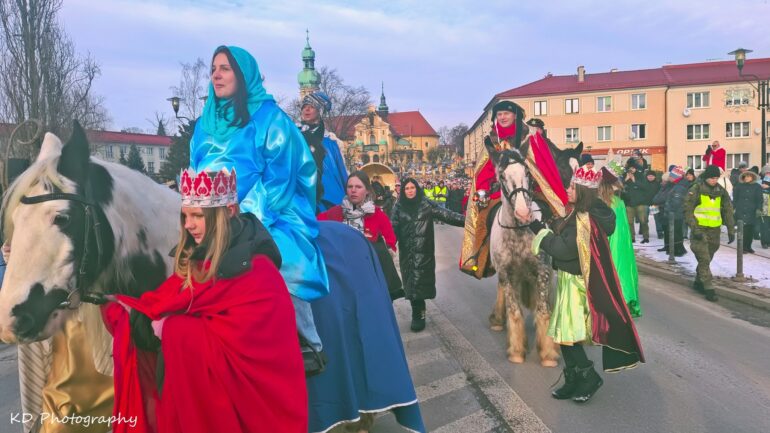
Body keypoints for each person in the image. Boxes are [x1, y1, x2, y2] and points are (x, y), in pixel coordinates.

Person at [105, 168, 307, 433]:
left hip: (257, 414)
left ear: (229, 212)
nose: (188, 225)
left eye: (198, 216)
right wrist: (126, 311)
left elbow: (253, 353)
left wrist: (173, 330)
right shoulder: (198, 262)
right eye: (185, 216)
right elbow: (163, 300)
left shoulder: (260, 274)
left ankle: (313, 342)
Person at [188, 45, 328, 370]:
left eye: (225, 68)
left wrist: (246, 218)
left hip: (270, 209)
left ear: (243, 75)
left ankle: (308, 341)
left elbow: (282, 175)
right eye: (213, 69)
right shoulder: (203, 124)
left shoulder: (270, 117)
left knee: (283, 257)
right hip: (210, 211)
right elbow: (195, 169)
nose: (217, 75)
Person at [529, 167, 644, 403]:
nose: (567, 190)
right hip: (572, 280)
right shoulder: (584, 212)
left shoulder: (584, 219)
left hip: (575, 285)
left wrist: (539, 231)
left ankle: (588, 377)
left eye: (572, 187)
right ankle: (573, 379)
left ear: (581, 191)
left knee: (566, 335)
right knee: (564, 336)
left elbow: (562, 248)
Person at [460, 100, 526, 278]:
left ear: (515, 116)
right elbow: (484, 171)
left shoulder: (527, 137)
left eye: (506, 113)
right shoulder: (492, 141)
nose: (503, 117)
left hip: (526, 189)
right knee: (483, 219)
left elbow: (539, 166)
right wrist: (482, 191)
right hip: (499, 192)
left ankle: (555, 252)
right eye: (499, 114)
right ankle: (480, 260)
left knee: (545, 211)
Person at [392, 177, 465, 331]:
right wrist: (386, 242)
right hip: (407, 252)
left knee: (419, 284)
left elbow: (447, 215)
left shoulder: (425, 204)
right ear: (403, 191)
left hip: (423, 252)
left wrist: (468, 221)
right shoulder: (398, 207)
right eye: (407, 188)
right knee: (411, 282)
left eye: (412, 188)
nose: (410, 191)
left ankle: (419, 314)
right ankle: (417, 313)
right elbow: (393, 229)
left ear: (417, 189)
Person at [318, 171, 403, 300]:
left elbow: (391, 242)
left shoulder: (378, 215)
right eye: (350, 187)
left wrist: (380, 251)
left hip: (371, 281)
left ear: (367, 190)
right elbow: (313, 226)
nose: (353, 190)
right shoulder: (334, 213)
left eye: (358, 187)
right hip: (343, 281)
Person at [684, 164, 736, 301]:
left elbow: (727, 210)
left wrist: (731, 229)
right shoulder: (696, 189)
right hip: (699, 229)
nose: (714, 180)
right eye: (712, 178)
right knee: (704, 258)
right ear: (706, 177)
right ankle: (708, 287)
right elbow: (687, 210)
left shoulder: (721, 190)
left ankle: (698, 281)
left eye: (716, 178)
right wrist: (695, 229)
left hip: (714, 230)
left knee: (707, 257)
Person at [598, 166, 641, 317]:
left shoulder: (602, 204)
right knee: (622, 271)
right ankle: (624, 301)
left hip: (609, 244)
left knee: (610, 271)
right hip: (622, 247)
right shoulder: (618, 202)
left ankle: (612, 304)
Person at [299, 91, 349, 212]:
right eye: (304, 107)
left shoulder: (331, 142)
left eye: (311, 107)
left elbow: (340, 173)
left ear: (320, 111)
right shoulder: (294, 136)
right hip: (300, 195)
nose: (306, 110)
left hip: (327, 200)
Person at [659, 166, 689, 257]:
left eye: (671, 176)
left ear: (676, 177)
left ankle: (677, 251)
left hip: (675, 214)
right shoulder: (677, 185)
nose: (669, 178)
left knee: (676, 233)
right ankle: (676, 250)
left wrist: (668, 209)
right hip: (676, 214)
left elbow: (676, 202)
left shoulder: (679, 187)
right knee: (676, 232)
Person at [623, 169, 659, 243]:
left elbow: (645, 187)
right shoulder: (625, 179)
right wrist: (626, 179)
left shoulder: (641, 178)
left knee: (643, 221)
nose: (631, 173)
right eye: (629, 171)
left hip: (640, 203)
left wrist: (634, 180)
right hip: (629, 204)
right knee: (630, 222)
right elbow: (620, 187)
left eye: (633, 169)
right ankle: (631, 237)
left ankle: (646, 237)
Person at [732, 170, 762, 253]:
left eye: (749, 176)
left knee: (750, 230)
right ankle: (742, 248)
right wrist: (733, 208)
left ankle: (748, 246)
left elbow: (759, 199)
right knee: (742, 230)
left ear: (752, 177)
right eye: (745, 176)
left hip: (752, 211)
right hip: (741, 210)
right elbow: (735, 198)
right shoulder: (739, 186)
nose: (747, 178)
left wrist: (759, 209)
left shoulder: (757, 186)